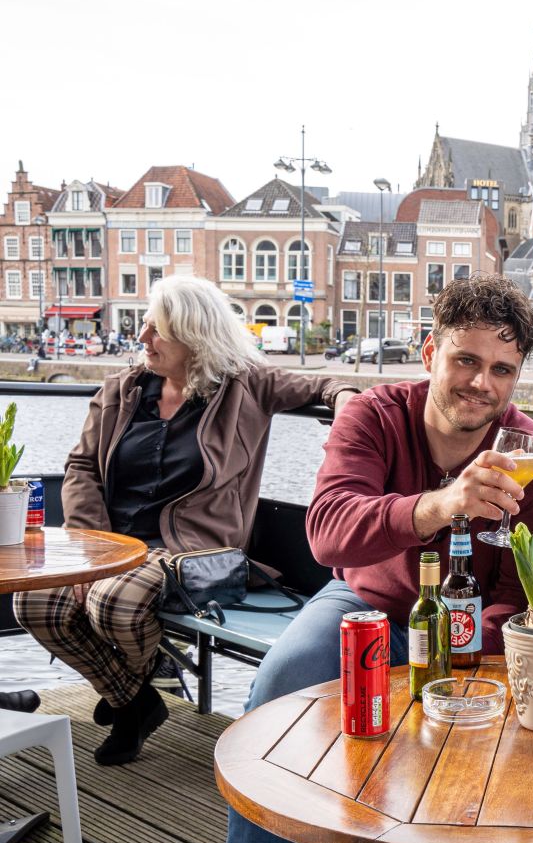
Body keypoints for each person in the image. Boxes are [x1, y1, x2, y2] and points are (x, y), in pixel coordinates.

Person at [196, 274, 533, 843]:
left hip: (463, 631)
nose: (479, 382)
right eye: (465, 359)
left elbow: (519, 590)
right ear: (430, 352)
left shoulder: (532, 455)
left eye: (501, 369)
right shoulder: (372, 415)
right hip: (368, 605)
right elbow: (330, 533)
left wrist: (472, 660)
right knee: (276, 690)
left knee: (512, 724)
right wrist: (440, 505)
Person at [14, 275, 355, 765]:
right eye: (146, 327)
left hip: (195, 553)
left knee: (114, 600)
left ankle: (127, 700)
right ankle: (136, 701)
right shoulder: (122, 391)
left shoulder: (246, 385)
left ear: (194, 337)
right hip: (113, 544)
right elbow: (83, 467)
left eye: (157, 331)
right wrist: (90, 545)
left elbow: (325, 382)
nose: (143, 340)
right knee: (36, 600)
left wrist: (344, 400)